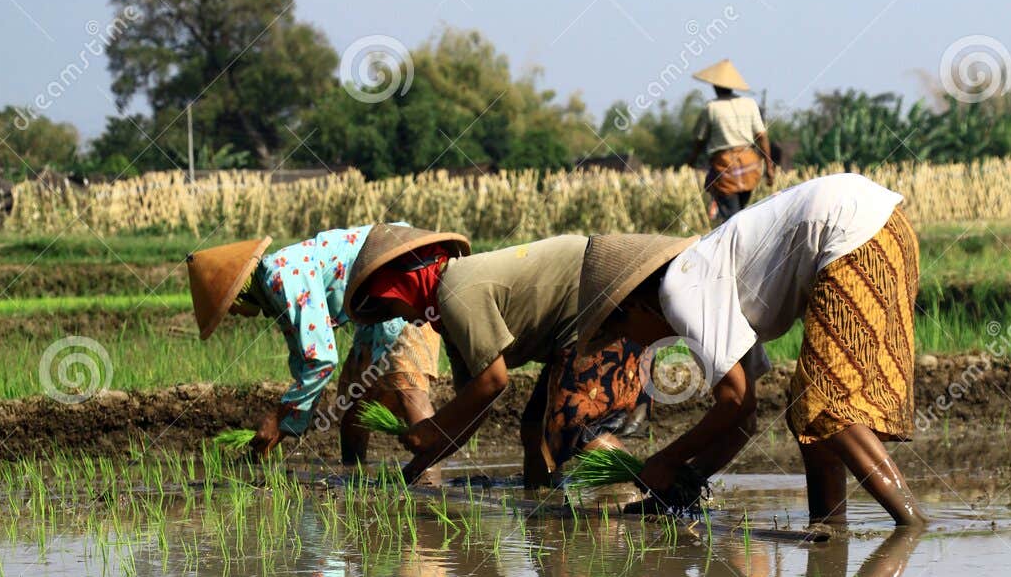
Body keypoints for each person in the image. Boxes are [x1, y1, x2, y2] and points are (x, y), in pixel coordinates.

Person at [575, 172, 927, 527]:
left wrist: (665, 461)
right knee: (807, 408)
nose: (636, 344)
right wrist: (687, 480)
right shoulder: (709, 282)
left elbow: (735, 402)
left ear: (634, 306)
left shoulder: (679, 290)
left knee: (823, 403)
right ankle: (829, 525)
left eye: (621, 331)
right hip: (884, 226)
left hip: (854, 233)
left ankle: (911, 523)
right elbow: (744, 420)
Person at [346, 234, 651, 489]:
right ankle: (542, 513)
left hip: (605, 307)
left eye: (389, 303)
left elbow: (494, 381)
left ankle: (654, 492)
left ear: (406, 284)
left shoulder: (454, 290)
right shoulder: (449, 321)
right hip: (575, 328)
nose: (396, 315)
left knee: (574, 431)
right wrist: (414, 470)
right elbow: (474, 408)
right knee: (534, 430)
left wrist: (430, 428)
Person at [184, 223, 468, 463]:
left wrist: (278, 415)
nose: (233, 314)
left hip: (404, 277)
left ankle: (432, 491)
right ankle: (356, 489)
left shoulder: (279, 276)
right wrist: (284, 425)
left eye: (228, 308)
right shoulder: (276, 292)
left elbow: (322, 360)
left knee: (408, 387)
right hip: (376, 305)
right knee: (355, 406)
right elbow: (305, 362)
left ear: (238, 292)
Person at [688, 58, 774, 222]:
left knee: (731, 218)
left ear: (715, 86)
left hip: (726, 166)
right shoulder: (749, 103)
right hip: (750, 165)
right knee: (740, 213)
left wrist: (691, 160)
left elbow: (699, 139)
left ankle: (736, 245)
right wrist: (769, 167)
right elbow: (761, 136)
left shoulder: (711, 108)